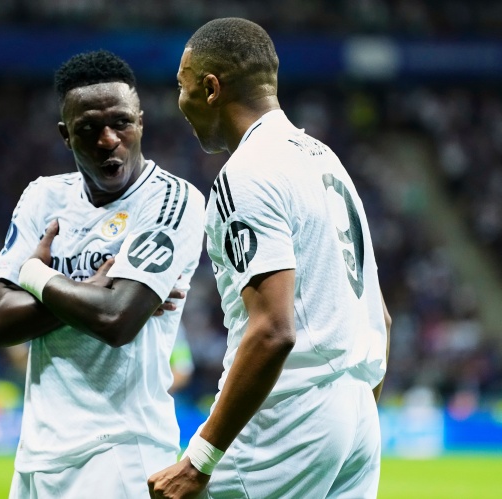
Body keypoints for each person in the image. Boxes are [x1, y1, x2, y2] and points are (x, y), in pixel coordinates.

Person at [148, 18, 392, 499]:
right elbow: (379, 316)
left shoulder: (247, 173)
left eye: (182, 86)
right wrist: (349, 416)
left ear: (210, 89)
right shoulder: (326, 161)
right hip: (358, 415)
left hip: (287, 419)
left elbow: (273, 330)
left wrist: (199, 462)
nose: (180, 101)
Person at [0, 50, 205, 498]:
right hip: (36, 454)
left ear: (140, 122)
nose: (108, 140)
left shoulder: (172, 200)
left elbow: (116, 320)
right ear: (66, 136)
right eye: (88, 129)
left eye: (121, 123)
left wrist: (36, 277)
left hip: (120, 450)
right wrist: (88, 290)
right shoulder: (42, 197)